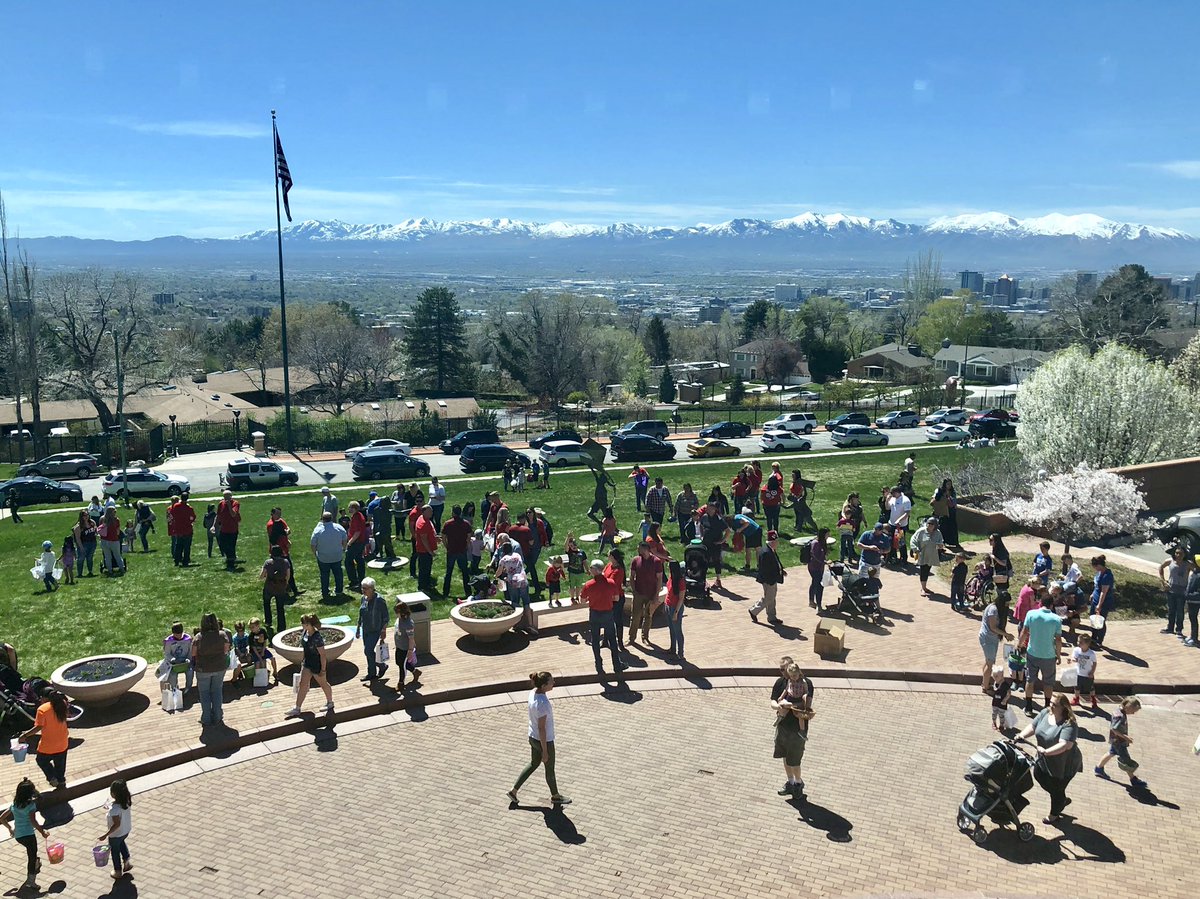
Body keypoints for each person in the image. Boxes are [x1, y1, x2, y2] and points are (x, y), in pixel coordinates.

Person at [1016, 693, 1082, 824]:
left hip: (1064, 764)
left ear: (1063, 707)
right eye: (1050, 702)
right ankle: (1061, 800)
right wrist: (1021, 736)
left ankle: (1054, 814)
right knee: (1038, 775)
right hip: (1044, 759)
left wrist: (1046, 751)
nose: (1050, 706)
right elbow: (1033, 726)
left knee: (1057, 789)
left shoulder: (1069, 724)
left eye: (1054, 704)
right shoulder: (1045, 713)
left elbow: (1064, 745)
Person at [507, 671, 570, 806]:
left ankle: (514, 791)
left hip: (532, 736)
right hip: (544, 740)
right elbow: (542, 728)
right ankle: (555, 796)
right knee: (549, 768)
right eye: (551, 681)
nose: (554, 683)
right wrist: (545, 751)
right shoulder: (542, 704)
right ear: (544, 685)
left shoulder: (533, 693)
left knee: (533, 764)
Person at [771, 662, 815, 798]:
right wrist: (778, 706)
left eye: (784, 670)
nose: (782, 673)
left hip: (797, 730)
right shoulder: (781, 682)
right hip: (783, 726)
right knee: (785, 755)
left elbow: (806, 704)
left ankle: (798, 783)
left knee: (795, 760)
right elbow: (773, 700)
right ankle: (790, 782)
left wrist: (790, 705)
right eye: (781, 670)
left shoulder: (805, 682)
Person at [1, 778, 49, 891]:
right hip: (28, 835)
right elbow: (33, 821)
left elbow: (2, 818)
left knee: (31, 852)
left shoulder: (15, 804)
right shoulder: (31, 806)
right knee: (31, 857)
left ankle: (36, 862)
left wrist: (10, 829)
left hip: (19, 836)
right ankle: (31, 882)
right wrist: (42, 832)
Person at [285, 614, 336, 717]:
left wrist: (323, 669)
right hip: (307, 662)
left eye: (304, 623)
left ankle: (330, 702)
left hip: (317, 664)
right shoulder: (305, 633)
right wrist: (302, 662)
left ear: (310, 624)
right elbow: (305, 649)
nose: (302, 625)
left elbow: (322, 654)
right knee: (302, 684)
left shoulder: (317, 637)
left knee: (323, 683)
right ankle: (297, 708)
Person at [1022, 592, 1064, 716]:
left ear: (1040, 603)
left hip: (1032, 653)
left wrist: (1019, 645)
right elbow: (1058, 640)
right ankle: (1047, 707)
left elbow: (1024, 632)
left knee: (1030, 680)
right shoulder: (1056, 619)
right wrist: (1059, 654)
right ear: (1051, 605)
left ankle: (1029, 706)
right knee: (1048, 682)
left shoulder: (1031, 614)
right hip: (1048, 656)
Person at [21, 689, 70, 789]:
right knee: (60, 765)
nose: (40, 699)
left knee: (41, 760)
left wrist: (25, 735)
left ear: (45, 698)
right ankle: (61, 782)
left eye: (41, 697)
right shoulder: (62, 703)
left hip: (48, 745)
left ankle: (52, 777)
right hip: (63, 742)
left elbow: (38, 727)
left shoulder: (42, 709)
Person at [581, 560, 623, 674]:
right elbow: (617, 598)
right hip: (608, 614)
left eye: (591, 568)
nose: (589, 569)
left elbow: (583, 600)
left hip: (595, 614)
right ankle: (617, 665)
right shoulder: (611, 583)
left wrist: (592, 599)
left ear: (595, 570)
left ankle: (598, 664)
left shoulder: (589, 585)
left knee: (595, 639)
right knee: (612, 640)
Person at [1095, 696, 1146, 787]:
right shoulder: (1120, 716)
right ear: (1127, 707)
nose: (1133, 713)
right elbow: (1115, 729)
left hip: (1115, 740)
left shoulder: (1118, 711)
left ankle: (1099, 768)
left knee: (1111, 753)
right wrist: (1126, 737)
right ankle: (1133, 779)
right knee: (1126, 760)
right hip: (1119, 741)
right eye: (1133, 711)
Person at [191, 612, 229, 727]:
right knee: (217, 691)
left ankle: (206, 718)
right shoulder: (222, 635)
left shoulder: (199, 637)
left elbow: (193, 653)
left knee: (204, 694)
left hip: (203, 669)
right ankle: (218, 716)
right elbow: (226, 650)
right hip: (219, 667)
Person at [96, 780, 133, 880]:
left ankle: (117, 871)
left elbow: (116, 824)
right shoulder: (126, 802)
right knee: (121, 843)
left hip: (116, 834)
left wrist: (106, 834)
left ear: (113, 794)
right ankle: (127, 861)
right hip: (125, 831)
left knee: (115, 851)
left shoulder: (114, 810)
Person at [498, 536, 535, 636]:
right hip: (523, 580)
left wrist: (497, 576)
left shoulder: (504, 559)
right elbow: (520, 565)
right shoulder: (518, 555)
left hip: (513, 582)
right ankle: (530, 624)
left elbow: (499, 573)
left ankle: (516, 624)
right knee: (526, 602)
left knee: (515, 602)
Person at [355, 577, 389, 682]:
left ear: (372, 588)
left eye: (365, 588)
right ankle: (372, 673)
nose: (363, 590)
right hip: (366, 629)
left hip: (375, 630)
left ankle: (381, 665)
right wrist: (357, 628)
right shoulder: (363, 598)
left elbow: (386, 617)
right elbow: (360, 615)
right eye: (362, 588)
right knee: (368, 652)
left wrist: (383, 630)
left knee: (368, 650)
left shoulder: (379, 600)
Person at [628, 542, 663, 644]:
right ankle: (631, 638)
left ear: (646, 549)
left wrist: (656, 594)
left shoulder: (656, 561)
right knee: (635, 616)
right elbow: (632, 576)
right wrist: (634, 590)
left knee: (648, 616)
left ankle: (645, 637)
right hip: (639, 593)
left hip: (651, 593)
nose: (638, 550)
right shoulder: (636, 560)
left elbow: (659, 578)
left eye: (639, 548)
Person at [750, 529, 787, 625]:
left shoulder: (771, 550)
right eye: (776, 541)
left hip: (772, 578)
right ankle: (754, 610)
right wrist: (771, 579)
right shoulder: (766, 553)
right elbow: (765, 569)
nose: (777, 543)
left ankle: (772, 616)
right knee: (768, 598)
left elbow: (776, 563)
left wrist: (781, 570)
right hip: (768, 579)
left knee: (772, 597)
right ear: (772, 541)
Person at [310, 511, 348, 600]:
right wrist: (343, 549)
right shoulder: (339, 527)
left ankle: (325, 592)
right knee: (338, 574)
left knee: (324, 575)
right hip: (337, 556)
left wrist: (315, 553)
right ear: (331, 518)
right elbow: (345, 539)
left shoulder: (318, 530)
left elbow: (312, 544)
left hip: (323, 557)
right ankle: (339, 590)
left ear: (322, 519)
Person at [978, 592, 1011, 694]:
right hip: (987, 639)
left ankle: (985, 682)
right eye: (1006, 603)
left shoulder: (995, 608)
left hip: (993, 639)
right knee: (990, 664)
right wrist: (1006, 634)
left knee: (989, 661)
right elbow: (993, 627)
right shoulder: (993, 609)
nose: (1007, 605)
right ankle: (986, 687)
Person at [1159, 548, 1194, 639]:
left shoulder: (1188, 564)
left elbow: (1196, 571)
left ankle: (1179, 629)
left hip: (1182, 590)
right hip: (1171, 589)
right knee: (1171, 610)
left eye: (1181, 554)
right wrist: (1163, 581)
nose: (1178, 555)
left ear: (1184, 555)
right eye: (1177, 553)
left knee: (1180, 611)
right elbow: (1161, 567)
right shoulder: (1169, 561)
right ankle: (1170, 627)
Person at [441, 505, 472, 599]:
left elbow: (443, 537)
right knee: (464, 572)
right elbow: (469, 536)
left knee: (449, 572)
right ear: (461, 512)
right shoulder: (466, 523)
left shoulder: (447, 523)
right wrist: (466, 545)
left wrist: (447, 546)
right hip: (462, 550)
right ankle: (468, 591)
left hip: (451, 550)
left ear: (453, 512)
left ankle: (445, 592)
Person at [910, 517, 943, 596]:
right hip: (923, 554)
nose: (930, 525)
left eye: (932, 524)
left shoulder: (938, 533)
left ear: (935, 526)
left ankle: (924, 587)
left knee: (927, 570)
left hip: (932, 555)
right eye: (928, 523)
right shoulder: (921, 531)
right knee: (923, 570)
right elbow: (913, 540)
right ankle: (923, 588)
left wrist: (940, 546)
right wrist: (916, 549)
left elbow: (941, 542)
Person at [392, 600, 422, 689]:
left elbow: (411, 639)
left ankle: (401, 683)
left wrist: (410, 650)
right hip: (399, 646)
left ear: (402, 612)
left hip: (405, 648)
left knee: (402, 666)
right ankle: (415, 671)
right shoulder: (399, 620)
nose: (395, 614)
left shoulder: (408, 624)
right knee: (399, 662)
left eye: (397, 612)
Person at [1089, 554, 1116, 649]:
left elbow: (1103, 592)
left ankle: (1099, 640)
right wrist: (1092, 594)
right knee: (1093, 619)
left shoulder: (1107, 576)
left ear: (1099, 565)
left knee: (1100, 621)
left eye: (1095, 566)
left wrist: (1099, 605)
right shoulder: (1099, 573)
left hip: (1103, 602)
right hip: (1095, 599)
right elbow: (1097, 586)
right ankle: (1093, 638)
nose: (1095, 568)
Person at [700, 502, 728, 590]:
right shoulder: (704, 517)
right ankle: (703, 580)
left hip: (715, 543)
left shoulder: (718, 519)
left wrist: (722, 541)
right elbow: (701, 525)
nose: (708, 509)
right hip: (706, 543)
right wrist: (701, 536)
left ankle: (718, 580)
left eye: (710, 508)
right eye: (707, 508)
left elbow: (728, 530)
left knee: (717, 561)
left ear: (714, 509)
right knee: (705, 561)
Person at [663, 559, 687, 662]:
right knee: (671, 629)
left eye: (669, 566)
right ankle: (673, 648)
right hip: (668, 605)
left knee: (677, 631)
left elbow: (681, 599)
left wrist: (676, 613)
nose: (667, 567)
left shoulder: (681, 582)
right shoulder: (671, 577)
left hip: (675, 608)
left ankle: (680, 654)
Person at [412, 505, 439, 593]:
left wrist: (435, 538)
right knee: (424, 569)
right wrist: (430, 552)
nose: (431, 513)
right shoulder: (422, 523)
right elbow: (424, 540)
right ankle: (422, 587)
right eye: (429, 511)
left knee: (427, 568)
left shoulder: (423, 518)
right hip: (424, 551)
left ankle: (427, 584)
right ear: (423, 512)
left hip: (425, 550)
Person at [344, 500, 369, 589]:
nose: (348, 509)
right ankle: (361, 579)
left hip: (356, 543)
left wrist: (349, 542)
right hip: (360, 542)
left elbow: (357, 532)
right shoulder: (358, 515)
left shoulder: (357, 517)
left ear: (354, 508)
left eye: (349, 507)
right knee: (359, 560)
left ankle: (354, 581)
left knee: (348, 561)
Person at [885, 486, 912, 566]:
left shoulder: (905, 500)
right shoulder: (893, 499)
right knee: (892, 541)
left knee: (900, 542)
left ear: (897, 492)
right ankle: (893, 557)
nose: (891, 494)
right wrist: (887, 500)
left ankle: (904, 559)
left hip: (900, 526)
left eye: (892, 493)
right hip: (891, 524)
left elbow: (907, 513)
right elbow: (887, 508)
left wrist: (899, 520)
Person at [1071, 633, 1099, 710]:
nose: (1078, 644)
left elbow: (1094, 663)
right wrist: (1073, 660)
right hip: (1078, 672)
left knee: (1090, 688)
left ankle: (1093, 699)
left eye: (1081, 643)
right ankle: (1076, 698)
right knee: (1077, 687)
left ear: (1087, 644)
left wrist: (1092, 672)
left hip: (1087, 674)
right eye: (1078, 642)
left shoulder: (1091, 653)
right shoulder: (1076, 650)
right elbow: (1074, 657)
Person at [216, 489, 241, 571]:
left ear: (231, 497)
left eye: (228, 497)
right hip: (223, 529)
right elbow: (218, 515)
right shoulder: (221, 504)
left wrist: (229, 506)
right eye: (225, 497)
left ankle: (231, 564)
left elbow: (233, 514)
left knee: (231, 546)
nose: (226, 499)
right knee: (222, 544)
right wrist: (214, 525)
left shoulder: (235, 503)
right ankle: (231, 558)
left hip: (232, 529)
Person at [732, 507, 763, 573]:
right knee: (748, 549)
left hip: (755, 531)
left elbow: (747, 522)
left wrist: (740, 529)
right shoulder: (737, 517)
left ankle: (760, 566)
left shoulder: (737, 519)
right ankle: (748, 566)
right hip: (751, 532)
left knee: (757, 549)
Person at [931, 478, 959, 548]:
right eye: (947, 484)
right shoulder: (940, 491)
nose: (949, 485)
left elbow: (954, 502)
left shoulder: (952, 492)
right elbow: (935, 500)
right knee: (943, 527)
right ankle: (943, 542)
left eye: (950, 484)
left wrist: (950, 499)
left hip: (951, 511)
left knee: (952, 527)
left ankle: (954, 542)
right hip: (943, 511)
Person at [248, 618, 278, 683]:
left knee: (273, 658)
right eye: (250, 627)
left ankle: (275, 672)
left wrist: (263, 651)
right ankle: (258, 678)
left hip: (263, 649)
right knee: (258, 663)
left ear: (258, 626)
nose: (251, 629)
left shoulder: (263, 631)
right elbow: (253, 648)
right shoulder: (251, 636)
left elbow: (265, 641)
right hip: (255, 652)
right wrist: (260, 657)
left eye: (253, 627)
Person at [99, 506, 124, 576]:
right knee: (117, 556)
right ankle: (122, 568)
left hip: (104, 540)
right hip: (114, 540)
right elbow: (118, 532)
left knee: (107, 557)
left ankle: (110, 570)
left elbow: (100, 529)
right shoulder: (116, 520)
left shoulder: (102, 519)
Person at [73, 509, 98, 577]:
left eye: (87, 515)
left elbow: (96, 531)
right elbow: (78, 538)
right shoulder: (78, 527)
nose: (86, 517)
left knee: (90, 558)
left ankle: (90, 571)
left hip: (92, 543)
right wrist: (81, 547)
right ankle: (80, 574)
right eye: (84, 515)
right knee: (81, 558)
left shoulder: (92, 522)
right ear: (81, 517)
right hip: (84, 544)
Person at [173, 494, 196, 566]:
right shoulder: (189, 508)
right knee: (187, 546)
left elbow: (172, 514)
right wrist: (190, 521)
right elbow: (193, 517)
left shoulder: (176, 506)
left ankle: (177, 560)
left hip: (178, 529)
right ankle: (185, 561)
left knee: (178, 545)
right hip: (187, 529)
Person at [991, 666, 1014, 731]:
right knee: (994, 714)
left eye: (996, 676)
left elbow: (1009, 693)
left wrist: (1005, 700)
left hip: (1002, 704)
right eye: (994, 676)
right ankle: (994, 723)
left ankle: (1001, 725)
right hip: (995, 702)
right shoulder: (995, 683)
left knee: (1001, 715)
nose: (995, 678)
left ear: (1002, 676)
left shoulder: (1005, 685)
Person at [1185, 568, 1200, 647]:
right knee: (1192, 618)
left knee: (1193, 619)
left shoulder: (1197, 575)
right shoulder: (1195, 574)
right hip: (1192, 599)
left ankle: (1194, 639)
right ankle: (1192, 636)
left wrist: (1188, 595)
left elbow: (1192, 588)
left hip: (1194, 600)